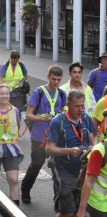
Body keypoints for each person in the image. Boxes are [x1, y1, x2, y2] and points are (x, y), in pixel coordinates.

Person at [45, 90, 95, 217]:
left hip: (81, 172)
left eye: (83, 106)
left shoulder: (86, 119)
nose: (81, 109)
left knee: (75, 210)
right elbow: (49, 148)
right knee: (68, 211)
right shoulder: (58, 121)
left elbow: (91, 138)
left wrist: (90, 148)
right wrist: (70, 150)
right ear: (68, 105)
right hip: (62, 170)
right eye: (77, 106)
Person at [21, 65, 67, 204]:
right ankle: (25, 190)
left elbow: (63, 111)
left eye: (59, 80)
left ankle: (57, 198)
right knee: (36, 165)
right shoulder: (38, 92)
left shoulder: (62, 94)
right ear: (48, 77)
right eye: (54, 79)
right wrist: (42, 118)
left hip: (56, 137)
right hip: (39, 137)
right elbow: (28, 114)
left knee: (57, 168)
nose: (56, 82)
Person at [0, 85, 23, 207]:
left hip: (10, 150)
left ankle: (15, 213)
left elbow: (18, 126)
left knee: (14, 180)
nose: (4, 96)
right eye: (1, 93)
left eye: (6, 93)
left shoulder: (15, 110)